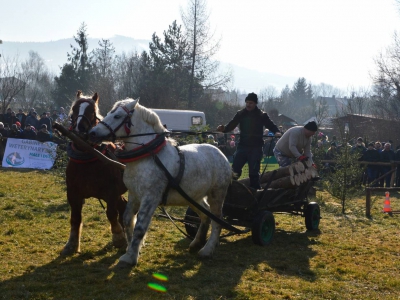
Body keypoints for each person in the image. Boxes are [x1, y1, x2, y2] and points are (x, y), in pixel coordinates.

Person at [216, 92, 281, 189]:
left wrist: (276, 132)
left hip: (256, 148)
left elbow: (271, 125)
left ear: (255, 104)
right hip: (242, 147)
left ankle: (255, 196)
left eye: (250, 103)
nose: (248, 105)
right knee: (235, 171)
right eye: (247, 102)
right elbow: (232, 124)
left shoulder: (261, 115)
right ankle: (228, 192)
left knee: (254, 174)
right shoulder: (240, 114)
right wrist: (224, 129)